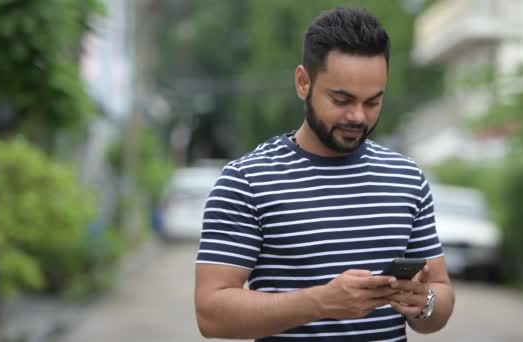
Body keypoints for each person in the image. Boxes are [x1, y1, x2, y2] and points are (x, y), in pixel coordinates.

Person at [194, 7, 454, 341]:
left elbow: (441, 295)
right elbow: (211, 315)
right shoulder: (247, 181)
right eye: (341, 99)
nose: (358, 116)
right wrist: (320, 302)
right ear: (304, 82)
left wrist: (424, 303)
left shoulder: (407, 179)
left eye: (373, 102)